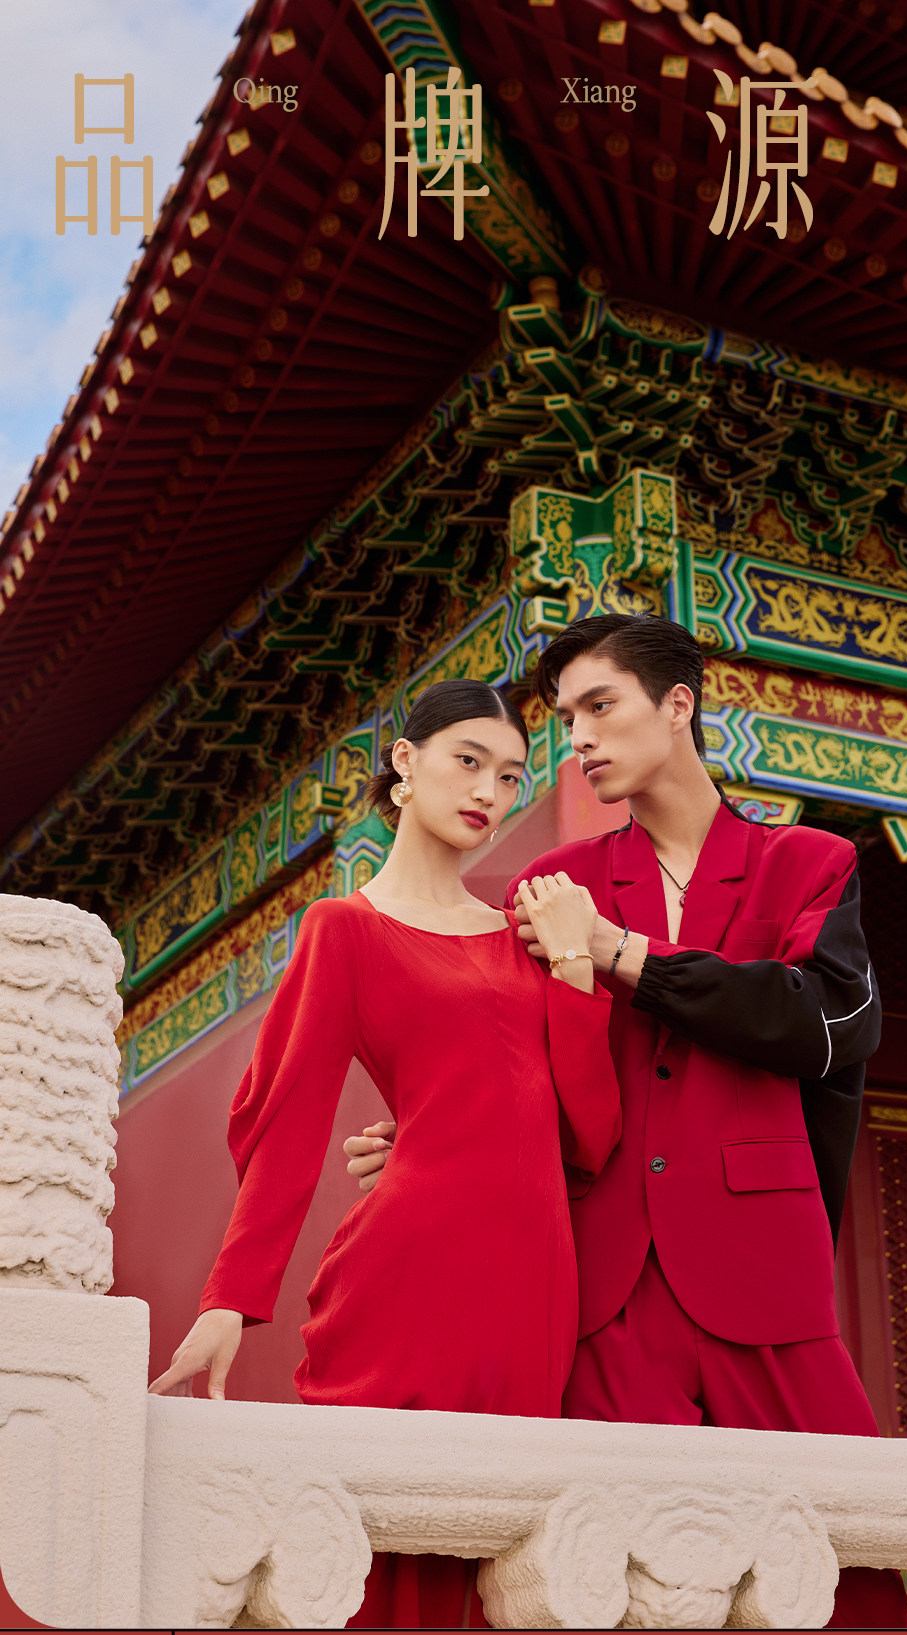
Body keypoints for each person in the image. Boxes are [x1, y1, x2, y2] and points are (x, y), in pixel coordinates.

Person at [347, 615, 907, 1630]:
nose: (580, 738)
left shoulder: (807, 863)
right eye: (568, 718)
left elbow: (829, 1024)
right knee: (599, 1584)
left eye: (600, 706)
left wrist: (622, 953)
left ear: (677, 704)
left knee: (855, 1574)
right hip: (603, 1284)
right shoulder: (551, 887)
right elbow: (529, 1064)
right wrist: (436, 1136)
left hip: (765, 1270)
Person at [149, 677, 622, 1630]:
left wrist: (576, 968)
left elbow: (591, 1129)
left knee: (499, 1565)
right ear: (405, 762)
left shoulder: (529, 939)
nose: (489, 791)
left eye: (511, 775)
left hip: (530, 1287)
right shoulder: (345, 930)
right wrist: (229, 1301)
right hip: (406, 1281)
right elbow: (286, 1121)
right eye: (468, 761)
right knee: (373, 1563)